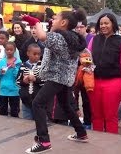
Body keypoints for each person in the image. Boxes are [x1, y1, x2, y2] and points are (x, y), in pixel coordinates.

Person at [22, 8, 88, 153]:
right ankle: (81, 133)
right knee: (66, 105)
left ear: (63, 22)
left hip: (56, 78)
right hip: (65, 78)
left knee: (38, 103)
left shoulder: (59, 37)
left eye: (56, 18)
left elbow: (41, 35)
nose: (53, 19)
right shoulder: (72, 37)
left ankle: (44, 141)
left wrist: (36, 21)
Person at [88, 13, 121, 133]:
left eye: (106, 23)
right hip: (94, 82)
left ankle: (110, 146)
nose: (103, 26)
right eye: (101, 23)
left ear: (113, 24)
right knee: (96, 115)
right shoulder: (94, 39)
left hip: (114, 83)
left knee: (110, 116)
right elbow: (88, 57)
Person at [0, 31, 20, 110]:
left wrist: (13, 66)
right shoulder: (1, 49)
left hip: (12, 81)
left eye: (2, 38)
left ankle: (14, 108)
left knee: (14, 106)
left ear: (7, 39)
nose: (0, 40)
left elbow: (17, 61)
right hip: (3, 76)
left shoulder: (14, 49)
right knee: (2, 89)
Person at [0, 42, 22, 117]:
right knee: (3, 111)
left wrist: (14, 68)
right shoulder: (1, 61)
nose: (9, 51)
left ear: (14, 51)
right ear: (5, 50)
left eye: (11, 50)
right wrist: (0, 72)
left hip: (14, 90)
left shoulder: (18, 62)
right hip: (3, 90)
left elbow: (19, 76)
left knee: (14, 111)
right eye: (7, 50)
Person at [17, 43, 43, 120]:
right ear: (28, 53)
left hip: (39, 100)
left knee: (39, 121)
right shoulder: (23, 66)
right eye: (34, 54)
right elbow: (17, 81)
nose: (37, 56)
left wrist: (36, 79)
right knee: (27, 122)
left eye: (39, 54)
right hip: (25, 100)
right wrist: (23, 81)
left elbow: (46, 82)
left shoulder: (42, 66)